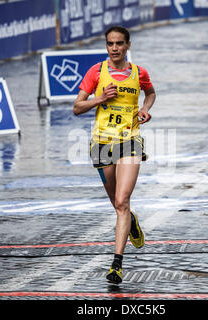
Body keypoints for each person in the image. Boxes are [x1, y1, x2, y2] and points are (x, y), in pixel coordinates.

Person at [73, 26, 156, 284]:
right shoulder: (96, 72)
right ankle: (130, 220)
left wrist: (144, 109)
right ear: (107, 46)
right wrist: (99, 99)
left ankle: (116, 264)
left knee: (122, 199)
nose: (115, 48)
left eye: (120, 43)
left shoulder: (139, 73)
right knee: (119, 205)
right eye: (110, 44)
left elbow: (151, 93)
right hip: (101, 144)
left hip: (129, 141)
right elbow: (77, 107)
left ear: (128, 45)